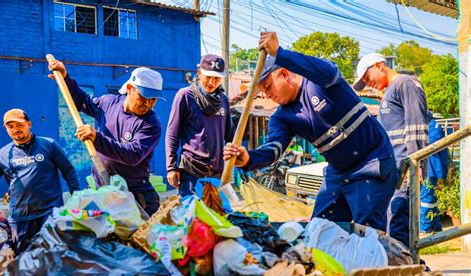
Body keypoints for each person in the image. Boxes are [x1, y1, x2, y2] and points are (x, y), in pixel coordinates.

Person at [224, 32, 398, 233]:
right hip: (337, 174)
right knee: (318, 232)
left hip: (371, 164)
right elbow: (274, 148)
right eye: (262, 91)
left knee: (367, 235)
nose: (266, 94)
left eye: (268, 86)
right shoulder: (281, 117)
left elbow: (328, 69)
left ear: (284, 73)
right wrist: (248, 158)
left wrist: (280, 53)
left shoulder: (320, 82)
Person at [48, 60, 163, 215]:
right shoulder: (108, 103)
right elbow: (82, 101)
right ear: (130, 88)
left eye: (153, 99)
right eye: (144, 97)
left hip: (134, 196)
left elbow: (133, 155)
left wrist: (97, 139)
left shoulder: (151, 124)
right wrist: (65, 78)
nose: (148, 104)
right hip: (101, 191)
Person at [354, 53, 429, 247]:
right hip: (393, 168)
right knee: (391, 220)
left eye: (367, 77)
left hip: (407, 165)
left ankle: (406, 266)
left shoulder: (406, 84)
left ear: (379, 66)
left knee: (399, 220)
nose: (368, 83)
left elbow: (416, 125)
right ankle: (403, 265)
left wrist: (417, 163)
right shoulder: (389, 92)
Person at [0, 109, 80, 253]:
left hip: (50, 213)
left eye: (19, 125)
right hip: (21, 218)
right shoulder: (2, 155)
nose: (15, 129)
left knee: (55, 255)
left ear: (29, 124)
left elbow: (68, 171)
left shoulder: (48, 145)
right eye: (10, 126)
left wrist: (78, 197)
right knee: (25, 260)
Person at [165, 54, 233, 197]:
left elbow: (230, 136)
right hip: (191, 170)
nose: (212, 82)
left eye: (217, 78)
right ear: (199, 72)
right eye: (208, 76)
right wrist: (171, 168)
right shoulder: (184, 96)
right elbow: (172, 134)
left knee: (214, 216)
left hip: (216, 173)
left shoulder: (224, 101)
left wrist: (234, 161)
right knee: (190, 216)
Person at [420, 116, 449, 234]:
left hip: (430, 169)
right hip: (433, 168)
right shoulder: (433, 125)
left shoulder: (430, 126)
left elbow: (430, 142)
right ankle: (436, 225)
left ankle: (425, 228)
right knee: (432, 198)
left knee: (427, 198)